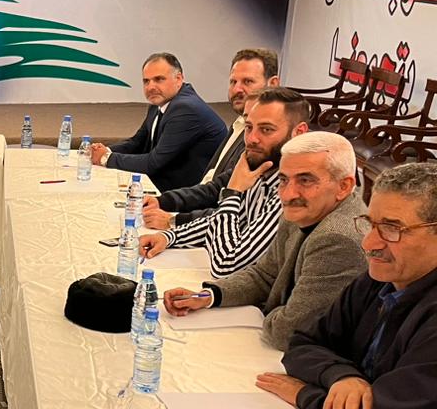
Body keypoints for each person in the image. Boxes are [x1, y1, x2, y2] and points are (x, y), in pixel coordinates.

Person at [257, 163, 437, 409]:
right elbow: (303, 343)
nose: (369, 243)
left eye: (392, 228)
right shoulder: (380, 281)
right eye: (371, 224)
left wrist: (303, 394)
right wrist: (342, 377)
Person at [161, 132, 365, 349]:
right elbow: (265, 275)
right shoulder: (306, 209)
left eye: (305, 180)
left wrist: (266, 310)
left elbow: (289, 332)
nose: (287, 194)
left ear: (344, 186)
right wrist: (208, 296)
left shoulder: (338, 240)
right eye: (283, 180)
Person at [139, 87, 310, 277]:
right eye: (249, 127)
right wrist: (170, 236)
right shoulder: (265, 170)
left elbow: (227, 265)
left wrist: (232, 192)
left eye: (266, 130)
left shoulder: (293, 190)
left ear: (299, 132)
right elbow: (230, 221)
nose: (252, 139)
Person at [143, 49, 281, 229]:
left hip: (215, 227)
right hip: (201, 214)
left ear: (273, 84)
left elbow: (240, 213)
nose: (237, 89)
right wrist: (162, 201)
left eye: (248, 81)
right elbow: (216, 187)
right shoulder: (239, 124)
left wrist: (174, 221)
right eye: (233, 82)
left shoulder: (265, 144)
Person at [89, 52, 227, 191]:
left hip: (187, 194)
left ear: (179, 79)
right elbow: (137, 142)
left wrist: (106, 158)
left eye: (159, 79)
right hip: (166, 183)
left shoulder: (185, 108)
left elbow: (153, 163)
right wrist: (105, 150)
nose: (151, 87)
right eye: (146, 81)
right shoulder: (159, 103)